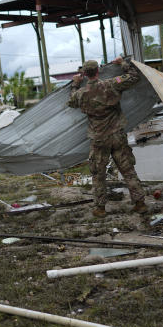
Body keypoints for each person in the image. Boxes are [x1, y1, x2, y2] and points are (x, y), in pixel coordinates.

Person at [67, 57, 149, 217]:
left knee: (98, 175)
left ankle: (100, 208)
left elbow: (71, 101)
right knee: (128, 170)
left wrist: (76, 83)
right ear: (98, 71)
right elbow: (134, 77)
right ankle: (140, 204)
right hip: (117, 135)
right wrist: (122, 64)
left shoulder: (81, 93)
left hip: (99, 139)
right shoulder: (111, 83)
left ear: (84, 73)